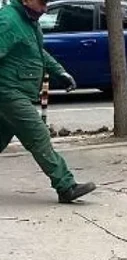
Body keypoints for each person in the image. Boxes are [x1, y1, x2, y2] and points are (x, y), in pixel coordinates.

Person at [0, 0, 96, 203]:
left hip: (17, 91)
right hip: (8, 92)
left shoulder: (27, 21)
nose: (45, 9)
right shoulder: (8, 20)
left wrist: (60, 71)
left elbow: (37, 52)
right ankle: (66, 186)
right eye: (41, 3)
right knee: (38, 134)